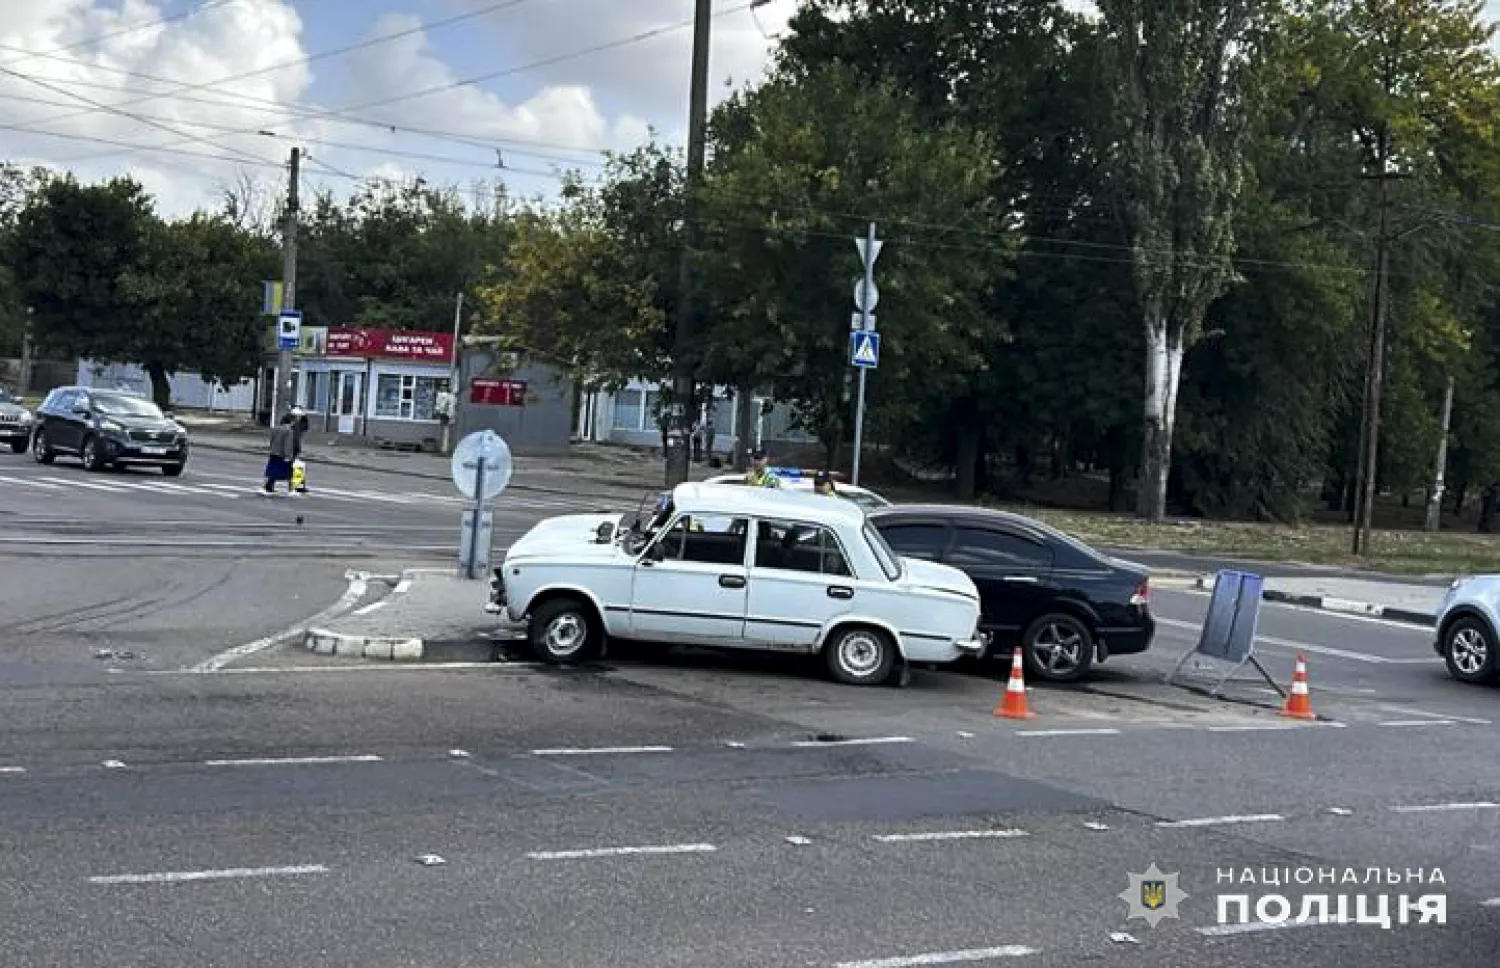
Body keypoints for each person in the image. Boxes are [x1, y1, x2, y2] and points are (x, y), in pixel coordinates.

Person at [263, 413, 297, 495]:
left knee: (273, 471)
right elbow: (288, 444)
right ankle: (291, 489)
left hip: (274, 452)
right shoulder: (289, 431)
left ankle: (269, 486)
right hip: (282, 454)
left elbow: (271, 440)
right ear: (291, 421)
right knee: (288, 471)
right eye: (294, 421)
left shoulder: (276, 429)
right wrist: (289, 456)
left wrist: (271, 449)